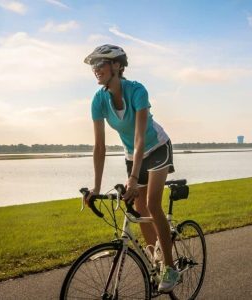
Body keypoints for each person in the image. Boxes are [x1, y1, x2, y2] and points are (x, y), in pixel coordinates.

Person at [83, 44, 179, 292]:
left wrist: (134, 178)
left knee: (154, 203)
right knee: (138, 207)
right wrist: (95, 187)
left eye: (100, 63)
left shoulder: (137, 91)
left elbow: (139, 138)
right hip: (132, 154)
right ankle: (153, 258)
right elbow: (99, 147)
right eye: (93, 66)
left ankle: (169, 267)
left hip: (156, 147)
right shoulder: (99, 100)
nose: (96, 69)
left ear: (117, 65)